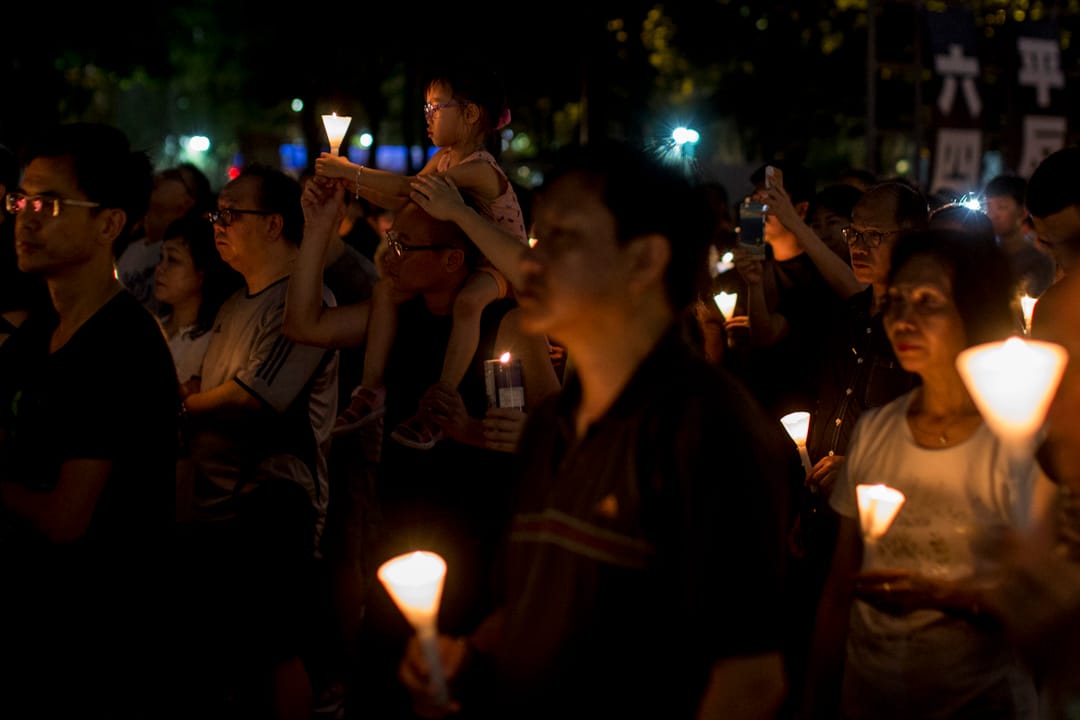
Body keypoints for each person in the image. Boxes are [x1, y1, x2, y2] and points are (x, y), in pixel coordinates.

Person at [396, 141, 798, 720]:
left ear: (644, 261)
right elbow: (531, 609)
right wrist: (469, 658)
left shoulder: (709, 432)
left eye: (564, 239)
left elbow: (749, 682)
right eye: (538, 237)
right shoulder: (551, 428)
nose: (531, 261)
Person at [284, 174, 560, 717]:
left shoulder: (506, 325)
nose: (389, 255)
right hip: (401, 526)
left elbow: (555, 430)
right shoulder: (395, 316)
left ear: (453, 260)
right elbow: (303, 323)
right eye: (389, 238)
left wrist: (472, 432)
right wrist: (318, 228)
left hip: (474, 532)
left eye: (405, 246)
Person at [800, 227, 1056, 720]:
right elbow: (839, 589)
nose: (904, 320)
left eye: (928, 301)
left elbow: (1050, 603)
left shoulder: (1018, 441)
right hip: (868, 698)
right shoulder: (876, 431)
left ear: (973, 309)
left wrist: (949, 597)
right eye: (896, 301)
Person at [0, 122, 178, 717]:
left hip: (99, 641)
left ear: (109, 223)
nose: (25, 218)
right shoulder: (35, 337)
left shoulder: (122, 348)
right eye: (18, 199)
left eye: (47, 204)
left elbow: (66, 520)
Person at [174, 164, 338, 720]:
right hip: (217, 507)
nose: (217, 225)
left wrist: (183, 403)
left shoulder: (308, 301)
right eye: (215, 214)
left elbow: (255, 398)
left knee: (275, 651)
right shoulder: (232, 305)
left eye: (229, 214)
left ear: (273, 225)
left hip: (273, 503)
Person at [317, 59, 528, 451]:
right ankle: (371, 390)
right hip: (470, 257)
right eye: (426, 108)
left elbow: (406, 188)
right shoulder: (446, 159)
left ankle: (442, 399)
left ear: (469, 114)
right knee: (384, 292)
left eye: (435, 107)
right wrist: (350, 182)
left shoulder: (480, 168)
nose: (427, 116)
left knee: (468, 304)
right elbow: (406, 195)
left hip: (496, 264)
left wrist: (349, 171)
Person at [153, 210, 243, 385]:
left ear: (202, 273)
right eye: (161, 258)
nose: (160, 269)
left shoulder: (213, 343)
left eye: (173, 260)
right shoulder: (155, 326)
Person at [115, 161, 214, 314]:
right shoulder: (130, 245)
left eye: (172, 176)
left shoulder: (188, 254)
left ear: (187, 201)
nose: (161, 176)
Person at [983, 173, 1055, 298]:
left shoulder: (1039, 262)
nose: (993, 215)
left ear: (1022, 212)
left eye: (1001, 207)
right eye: (989, 206)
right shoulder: (981, 254)